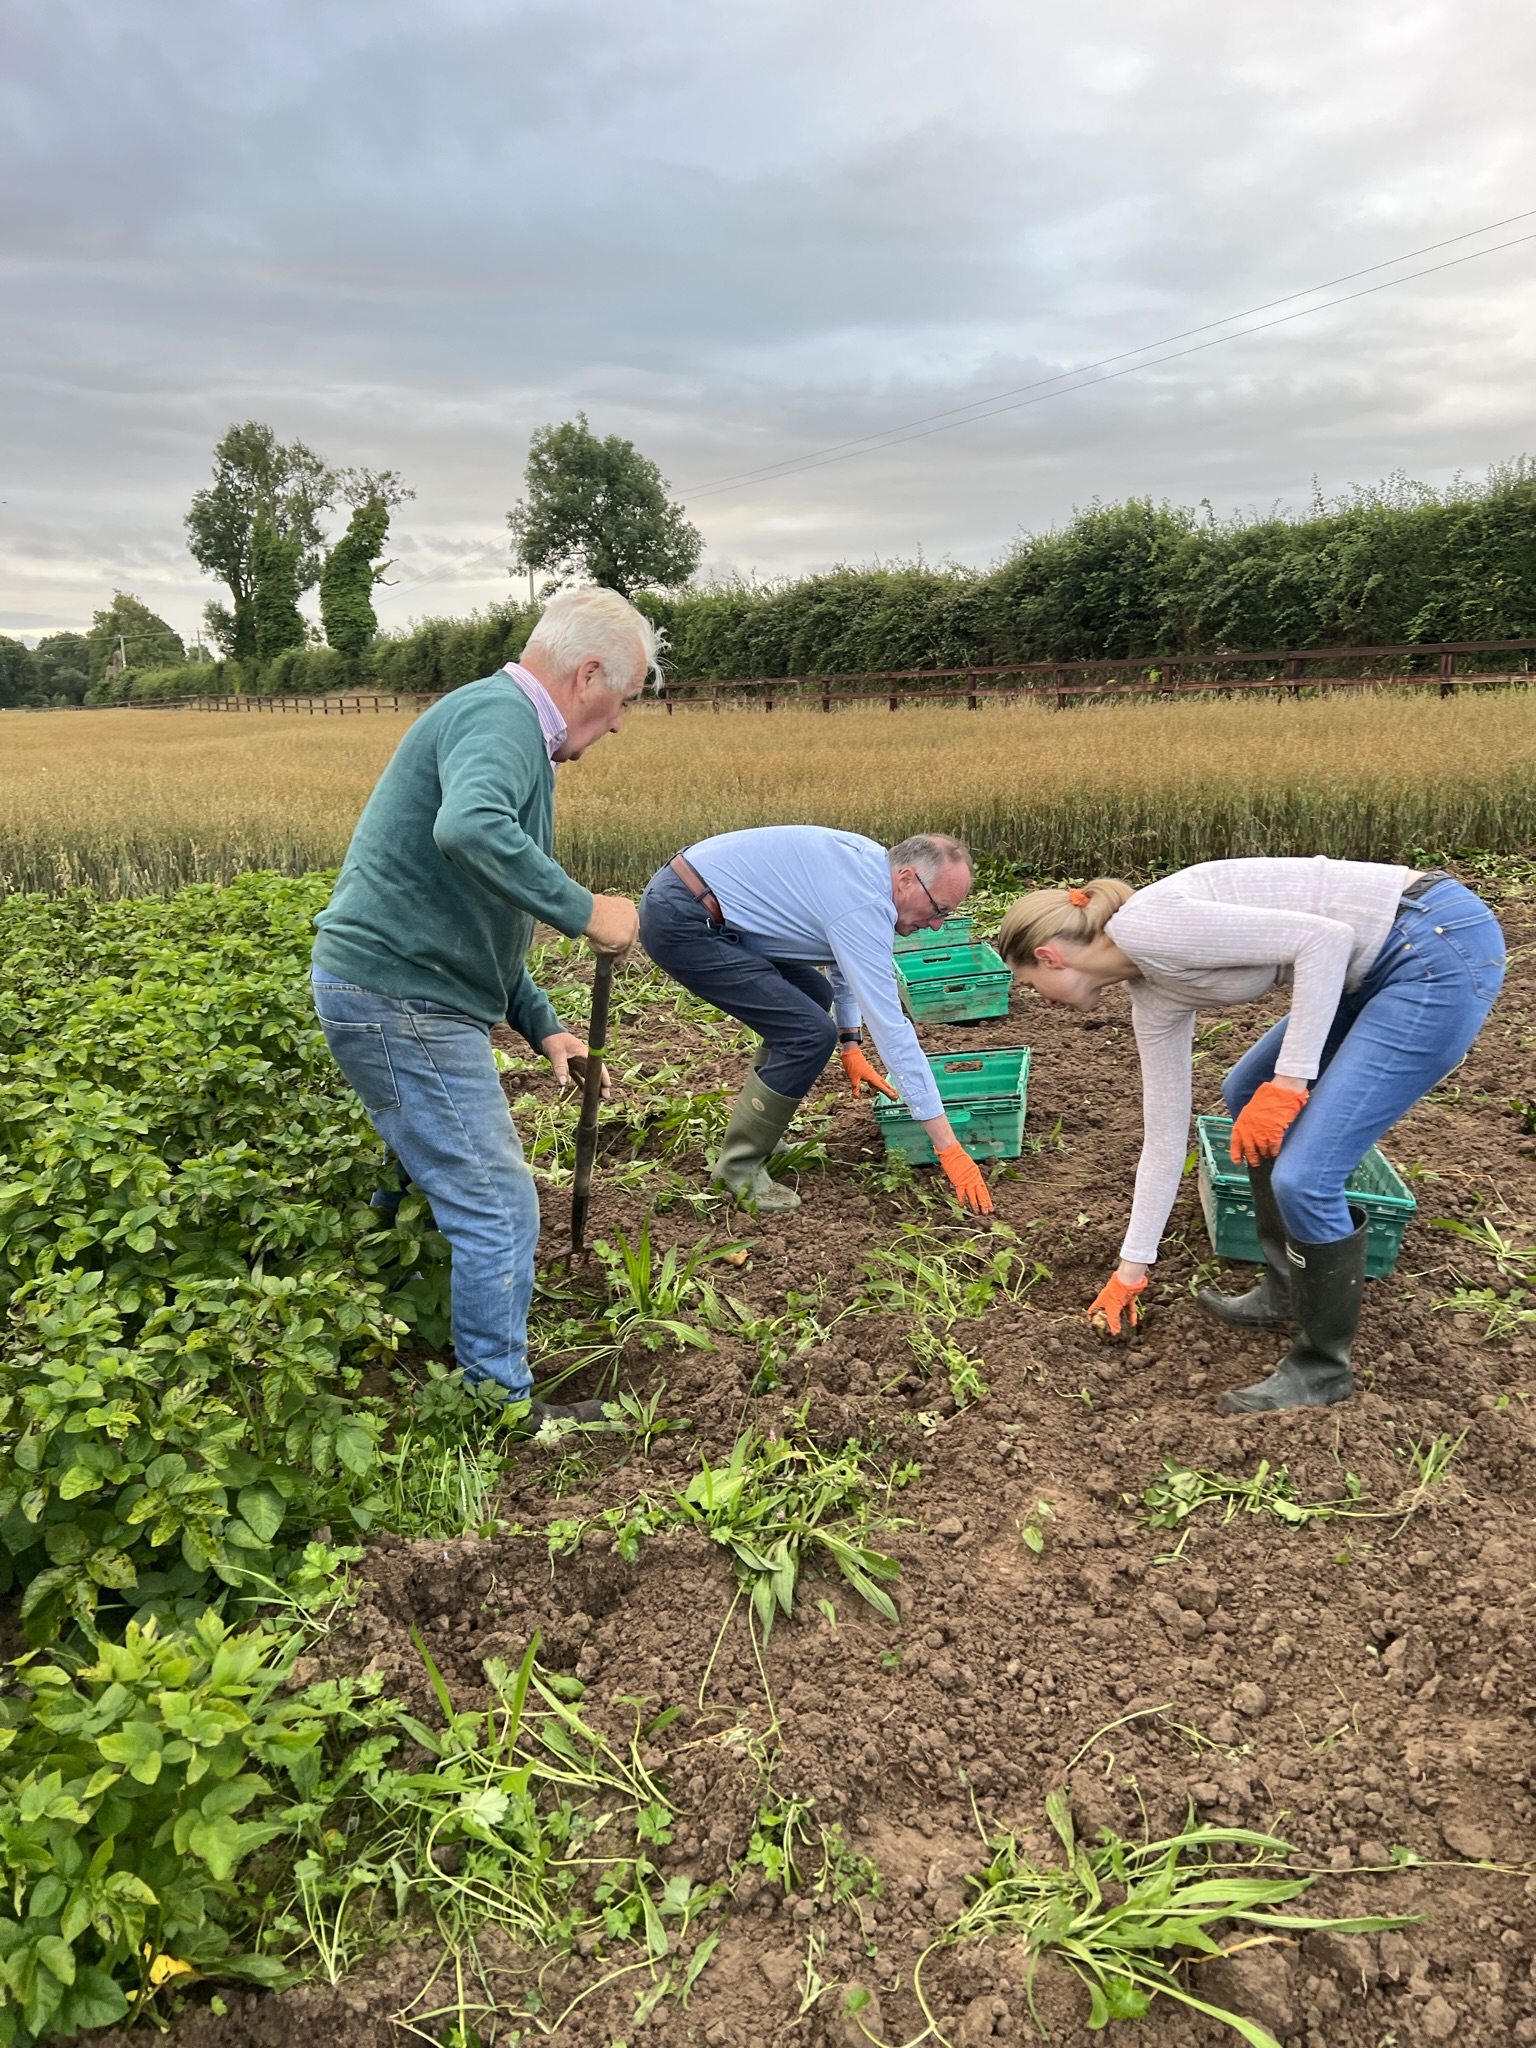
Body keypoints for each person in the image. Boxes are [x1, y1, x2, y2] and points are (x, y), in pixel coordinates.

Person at [310, 587, 655, 1423]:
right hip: (401, 998)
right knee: (498, 1204)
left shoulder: (506, 726)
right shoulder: (502, 719)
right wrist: (586, 910)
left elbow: (477, 915)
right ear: (589, 675)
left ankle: (383, 1311)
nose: (618, 724)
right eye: (625, 700)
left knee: (428, 1164)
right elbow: (468, 829)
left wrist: (545, 1027)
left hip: (398, 987)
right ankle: (499, 1406)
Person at [997, 859, 1505, 1412]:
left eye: (1030, 983)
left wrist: (1289, 1085)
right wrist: (1130, 1272)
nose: (1038, 997)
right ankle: (1286, 1287)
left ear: (1049, 956)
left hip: (1432, 946)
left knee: (1305, 1179)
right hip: (1367, 968)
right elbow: (1164, 1141)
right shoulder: (1154, 996)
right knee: (1245, 1090)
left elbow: (1325, 939)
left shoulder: (1146, 927)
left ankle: (1322, 1369)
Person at [638, 826, 994, 1216]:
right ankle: (738, 1169)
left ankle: (761, 1137)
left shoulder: (871, 871)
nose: (938, 924)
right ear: (907, 879)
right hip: (685, 920)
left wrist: (851, 1043)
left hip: (707, 907)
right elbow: (893, 1032)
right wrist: (948, 1146)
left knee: (813, 996)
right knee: (808, 1033)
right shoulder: (863, 902)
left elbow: (842, 959)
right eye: (939, 909)